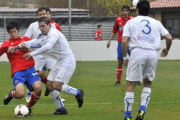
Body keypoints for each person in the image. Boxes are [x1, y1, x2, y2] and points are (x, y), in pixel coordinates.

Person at [8, 17, 84, 115]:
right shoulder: (43, 36)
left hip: (67, 61)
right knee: (49, 85)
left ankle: (78, 93)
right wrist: (15, 47)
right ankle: (61, 110)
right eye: (40, 27)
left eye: (43, 26)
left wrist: (32, 54)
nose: (41, 28)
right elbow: (31, 43)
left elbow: (48, 46)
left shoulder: (54, 33)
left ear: (49, 25)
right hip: (59, 62)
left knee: (56, 85)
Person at [121, 1, 172, 120]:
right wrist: (167, 49)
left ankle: (128, 116)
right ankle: (142, 109)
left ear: (137, 10)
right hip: (153, 54)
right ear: (149, 10)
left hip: (138, 52)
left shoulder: (131, 22)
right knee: (147, 83)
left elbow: (124, 41)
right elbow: (169, 37)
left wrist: (125, 57)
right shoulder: (156, 22)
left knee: (131, 84)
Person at [0, 21, 42, 115]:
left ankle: (29, 108)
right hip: (18, 72)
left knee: (38, 88)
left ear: (18, 31)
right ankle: (12, 94)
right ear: (8, 33)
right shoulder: (7, 44)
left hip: (30, 70)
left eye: (14, 31)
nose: (13, 34)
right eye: (10, 32)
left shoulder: (26, 39)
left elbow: (37, 46)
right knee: (20, 94)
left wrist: (31, 49)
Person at [25, 7, 64, 102]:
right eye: (40, 14)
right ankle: (30, 91)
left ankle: (56, 96)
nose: (42, 16)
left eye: (43, 14)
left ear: (48, 14)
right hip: (38, 54)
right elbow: (26, 37)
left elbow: (60, 39)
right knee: (39, 74)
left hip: (50, 54)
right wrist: (29, 48)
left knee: (54, 74)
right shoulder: (33, 25)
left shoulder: (55, 26)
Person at [107, 5, 142, 86]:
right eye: (124, 10)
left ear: (129, 11)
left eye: (126, 10)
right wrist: (109, 40)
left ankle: (136, 80)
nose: (125, 12)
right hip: (121, 43)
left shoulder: (133, 19)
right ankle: (118, 81)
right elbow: (114, 31)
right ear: (122, 11)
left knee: (134, 61)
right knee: (120, 61)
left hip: (131, 43)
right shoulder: (118, 20)